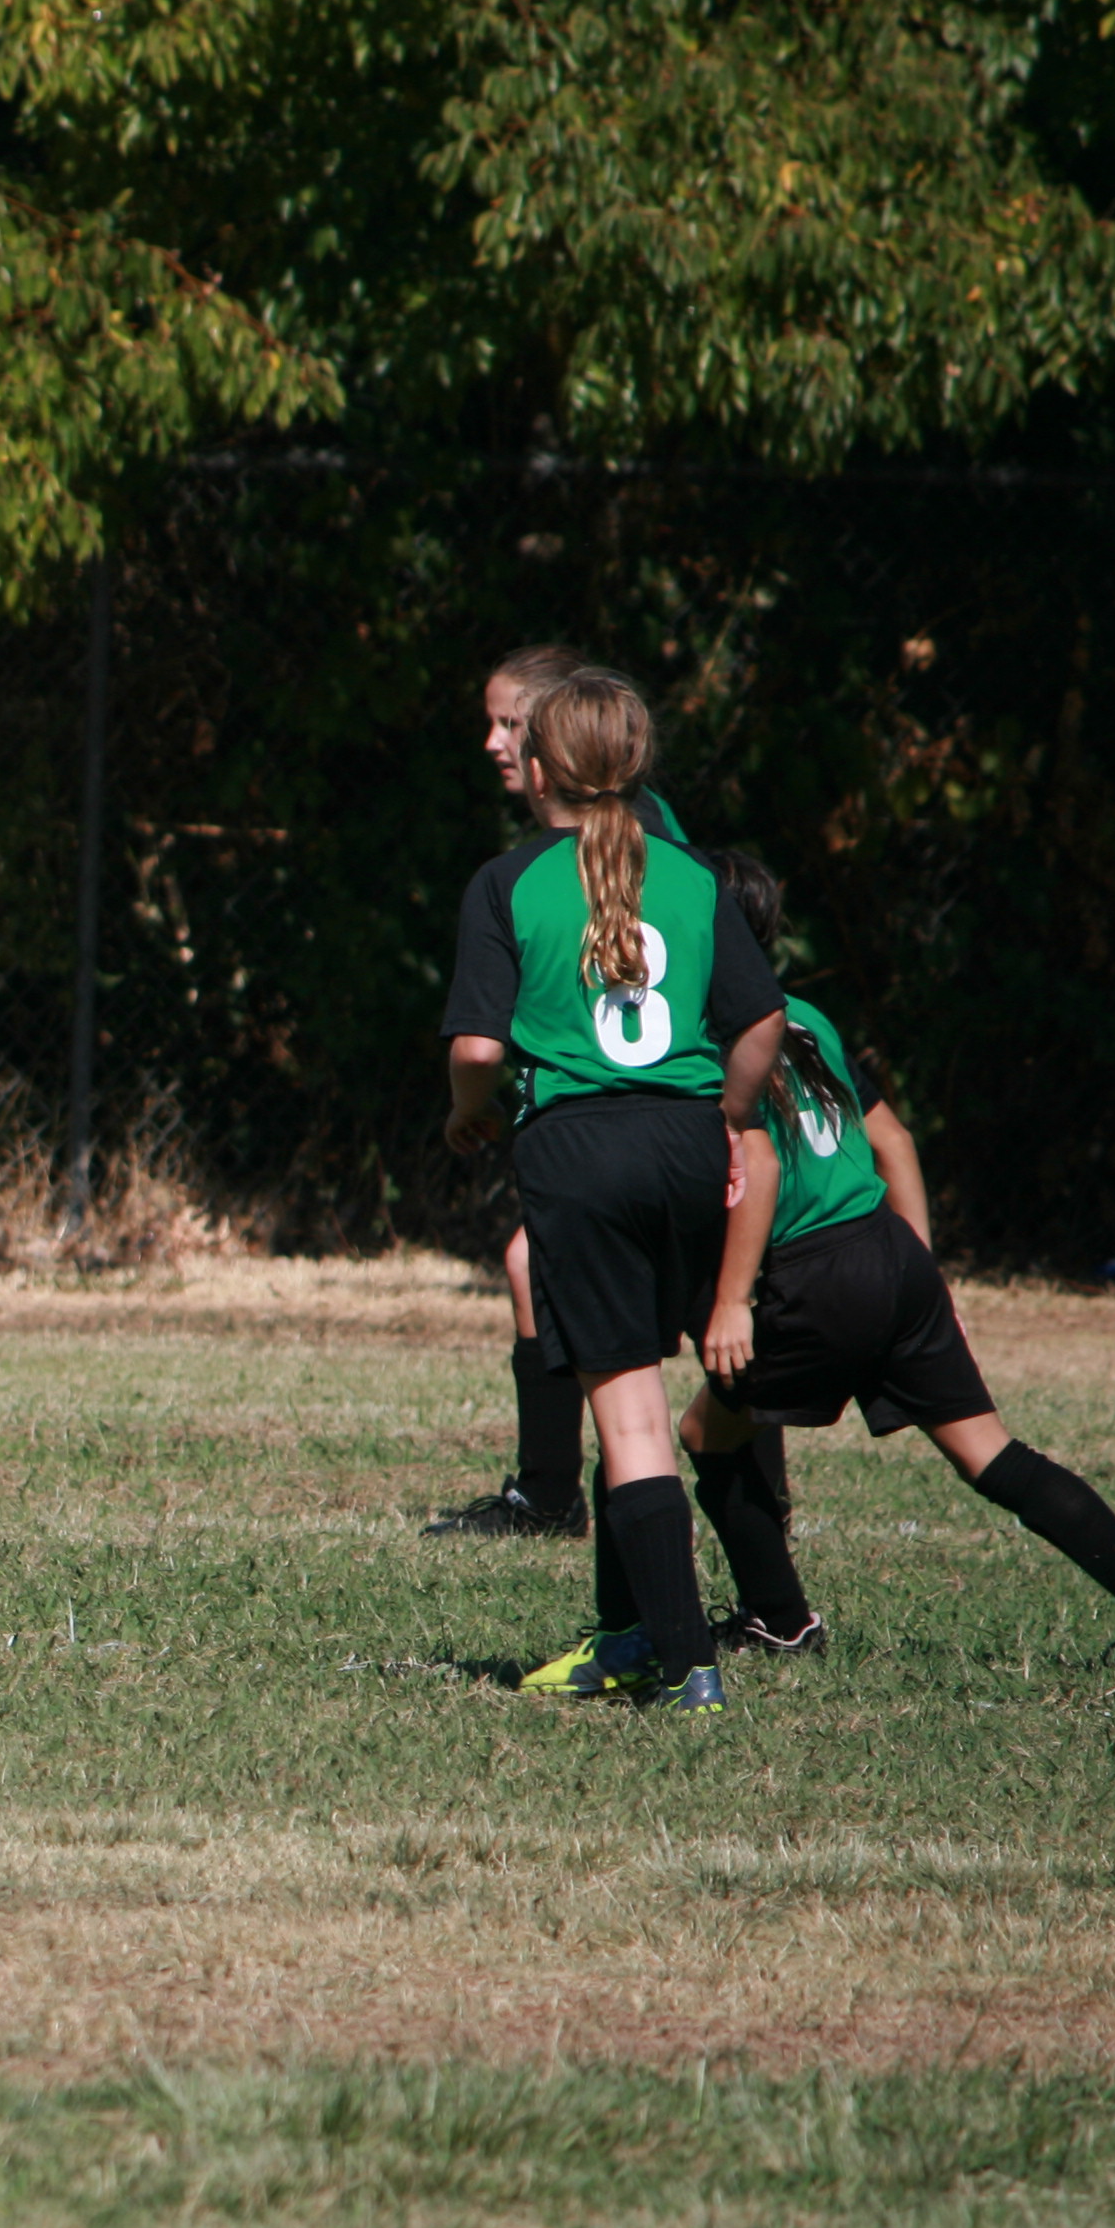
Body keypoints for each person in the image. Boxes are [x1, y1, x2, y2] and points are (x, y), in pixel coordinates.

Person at [675, 850, 1115, 1675]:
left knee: (704, 1433)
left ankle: (779, 1621)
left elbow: (758, 1171)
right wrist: (921, 1275)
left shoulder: (706, 1037)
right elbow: (891, 1139)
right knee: (990, 1453)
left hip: (813, 1273)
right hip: (889, 1250)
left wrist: (731, 1296)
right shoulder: (807, 1016)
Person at [440, 669, 784, 1710]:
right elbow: (762, 1022)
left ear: (541, 770)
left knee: (630, 1418)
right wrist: (727, 1118)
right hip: (687, 1146)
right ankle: (710, 1612)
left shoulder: (508, 881)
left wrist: (466, 1111)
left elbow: (477, 1047)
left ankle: (685, 1664)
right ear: (635, 766)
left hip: (579, 1152)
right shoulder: (691, 874)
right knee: (697, 1382)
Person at [430, 644, 737, 1539]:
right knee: (544, 1270)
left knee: (708, 1327)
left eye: (510, 724)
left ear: (554, 740)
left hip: (647, 1125)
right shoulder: (572, 849)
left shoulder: (627, 846)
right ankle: (557, 1494)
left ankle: (721, 1504)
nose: (494, 743)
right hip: (662, 1132)